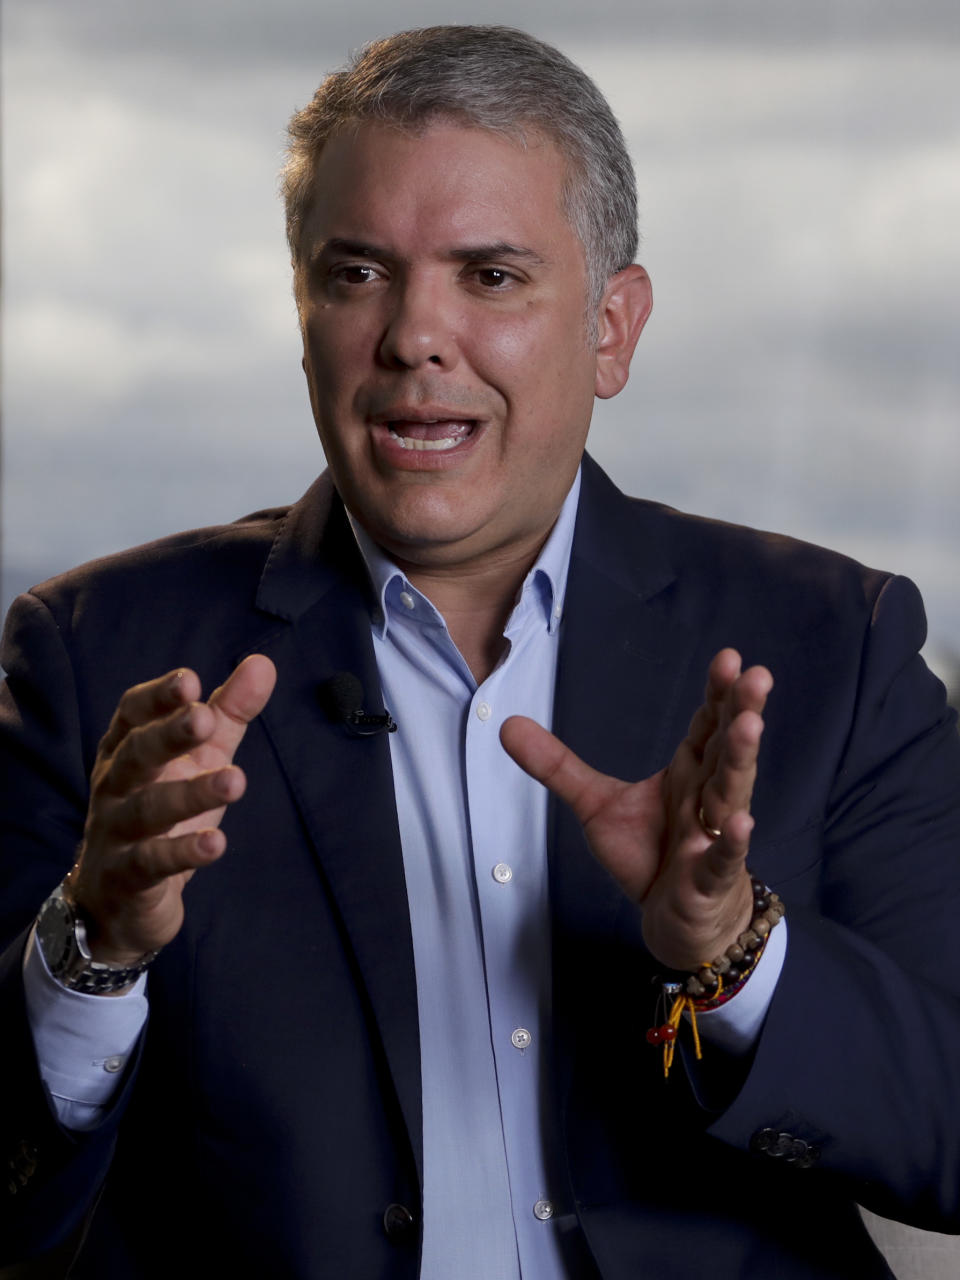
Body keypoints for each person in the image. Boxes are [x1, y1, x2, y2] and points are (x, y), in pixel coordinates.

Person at [1, 24, 958, 1280]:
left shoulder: (836, 640)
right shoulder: (95, 661)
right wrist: (93, 947)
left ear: (613, 328)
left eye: (491, 276)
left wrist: (735, 950)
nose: (413, 337)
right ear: (303, 318)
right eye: (356, 274)